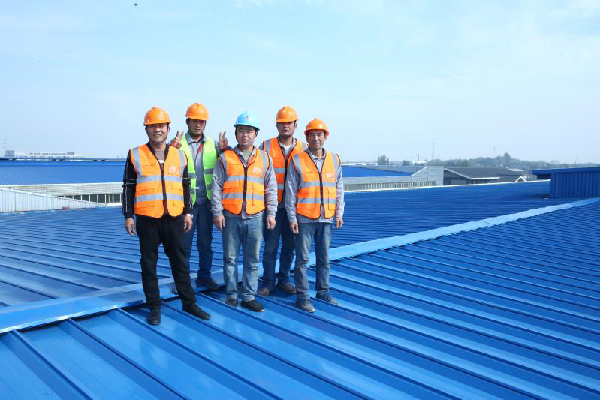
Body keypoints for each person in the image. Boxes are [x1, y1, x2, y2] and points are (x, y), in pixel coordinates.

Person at [122, 106, 210, 325]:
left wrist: (188, 212)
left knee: (180, 262)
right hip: (147, 219)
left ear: (168, 128)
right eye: (152, 126)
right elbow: (128, 186)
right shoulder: (135, 154)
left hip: (174, 217)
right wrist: (128, 215)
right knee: (149, 265)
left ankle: (189, 303)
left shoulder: (179, 156)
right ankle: (154, 306)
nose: (157, 130)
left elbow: (186, 186)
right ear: (146, 129)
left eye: (161, 126)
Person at [211, 111, 277, 312]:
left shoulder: (264, 158)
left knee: (252, 260)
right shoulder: (225, 158)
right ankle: (231, 295)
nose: (245, 135)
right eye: (241, 131)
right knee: (230, 258)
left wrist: (271, 213)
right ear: (236, 134)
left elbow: (271, 188)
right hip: (231, 216)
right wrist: (217, 212)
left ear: (256, 134)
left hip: (256, 216)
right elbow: (216, 186)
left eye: (249, 131)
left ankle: (249, 296)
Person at [285, 118, 345, 313]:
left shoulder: (334, 160)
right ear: (307, 137)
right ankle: (303, 297)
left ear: (325, 137)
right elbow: (290, 192)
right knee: (302, 260)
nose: (316, 138)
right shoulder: (297, 160)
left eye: (319, 134)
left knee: (324, 257)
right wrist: (292, 218)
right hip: (304, 219)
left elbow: (339, 189)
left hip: (326, 218)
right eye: (312, 135)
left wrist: (339, 213)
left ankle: (323, 291)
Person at [169, 102, 227, 291]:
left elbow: (226, 164)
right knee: (183, 245)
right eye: (194, 121)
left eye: (201, 121)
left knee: (205, 244)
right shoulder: (178, 144)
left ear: (205, 123)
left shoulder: (212, 144)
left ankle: (204, 277)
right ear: (187, 122)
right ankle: (181, 281)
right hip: (186, 205)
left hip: (206, 204)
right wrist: (171, 150)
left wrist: (224, 150)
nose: (198, 124)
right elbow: (167, 167)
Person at [257, 106, 306, 296]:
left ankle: (284, 280)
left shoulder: (304, 148)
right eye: (282, 123)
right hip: (272, 207)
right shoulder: (265, 146)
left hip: (294, 208)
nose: (286, 126)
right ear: (277, 125)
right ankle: (268, 282)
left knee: (289, 246)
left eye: (289, 123)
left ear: (295, 125)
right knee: (270, 247)